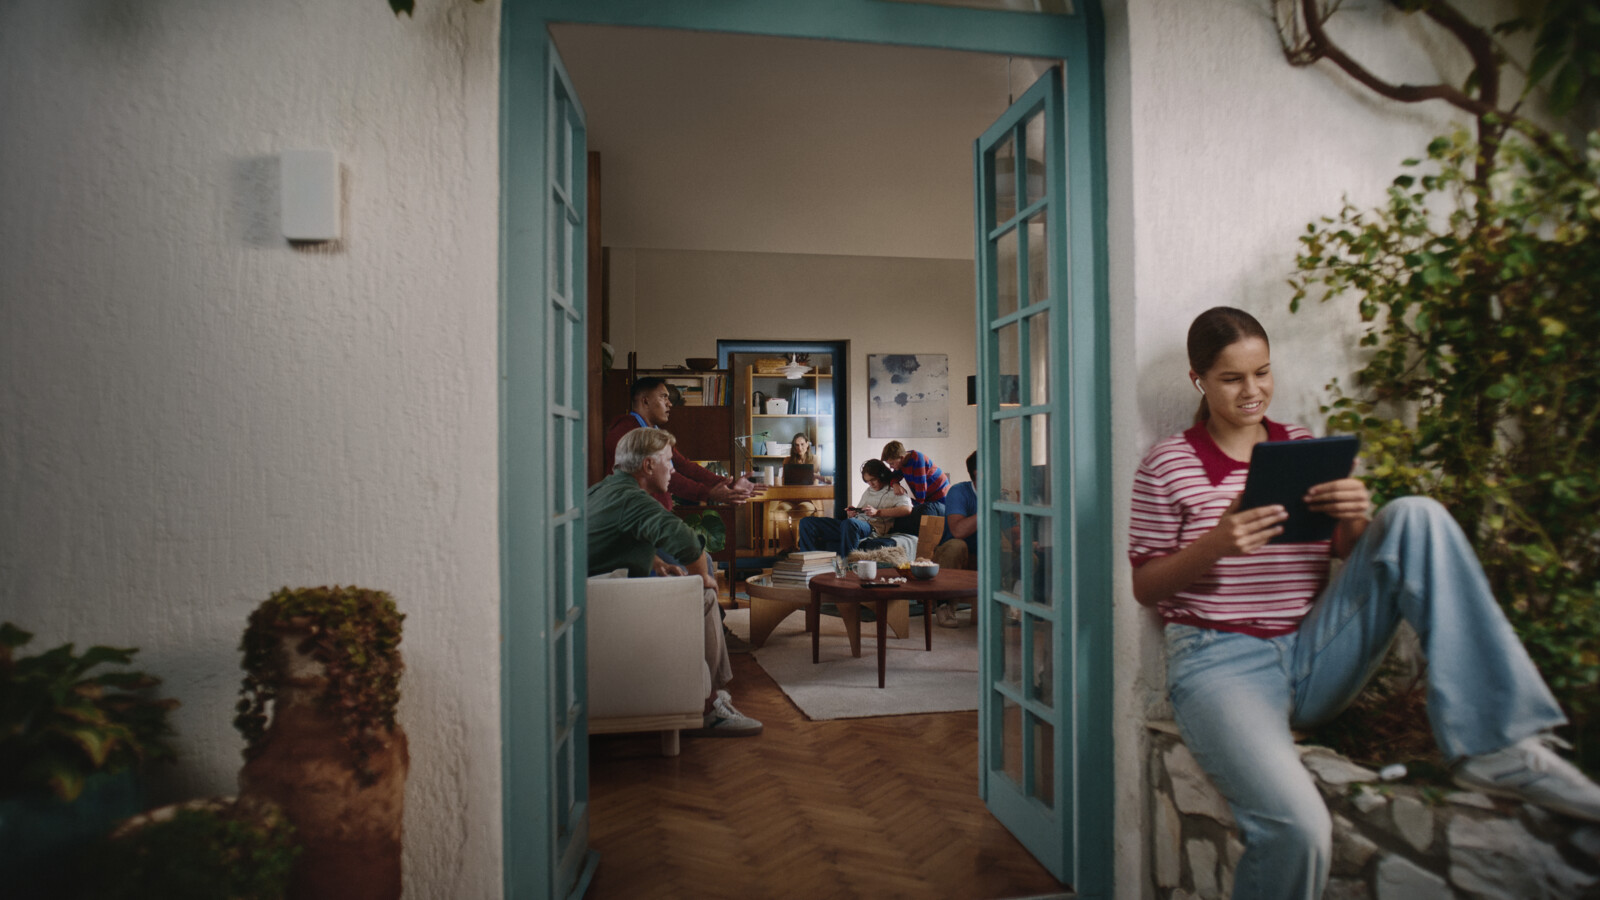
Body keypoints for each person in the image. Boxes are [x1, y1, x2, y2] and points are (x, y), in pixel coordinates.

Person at [1129, 306, 1600, 900]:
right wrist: (1217, 543)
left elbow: (1350, 555)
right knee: (1299, 832)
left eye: (1263, 373)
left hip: (1313, 650)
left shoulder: (1300, 447)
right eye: (1232, 378)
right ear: (1199, 379)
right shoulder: (1168, 464)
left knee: (1415, 516)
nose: (1254, 391)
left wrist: (1355, 519)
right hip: (1219, 663)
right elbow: (1146, 586)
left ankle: (1494, 745)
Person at [588, 427, 762, 737]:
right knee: (705, 596)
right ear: (648, 466)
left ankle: (713, 694)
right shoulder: (636, 500)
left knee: (692, 584)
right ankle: (710, 707)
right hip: (611, 612)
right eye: (668, 461)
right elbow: (686, 541)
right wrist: (706, 579)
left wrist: (656, 561)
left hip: (593, 600)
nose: (672, 468)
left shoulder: (603, 489)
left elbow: (614, 540)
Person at [604, 376, 762, 511]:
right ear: (645, 401)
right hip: (636, 518)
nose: (669, 403)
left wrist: (729, 484)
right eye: (663, 397)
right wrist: (709, 493)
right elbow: (669, 477)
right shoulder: (627, 432)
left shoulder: (653, 432)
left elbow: (683, 465)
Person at [795, 459, 912, 557]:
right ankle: (809, 562)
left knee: (850, 524)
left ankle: (848, 565)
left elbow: (907, 509)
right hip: (855, 525)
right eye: (867, 481)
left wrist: (878, 512)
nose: (871, 484)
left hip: (873, 529)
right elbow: (861, 511)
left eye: (873, 480)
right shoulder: (869, 490)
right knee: (807, 522)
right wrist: (854, 512)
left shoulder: (895, 490)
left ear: (882, 475)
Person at [933, 451, 979, 627]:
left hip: (982, 558)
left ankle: (1012, 607)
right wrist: (987, 507)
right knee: (957, 546)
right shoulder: (959, 491)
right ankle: (944, 605)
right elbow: (958, 531)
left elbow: (1013, 535)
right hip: (951, 557)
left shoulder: (1001, 493)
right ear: (977, 473)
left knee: (1025, 554)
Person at [880, 441, 950, 532]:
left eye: (892, 463)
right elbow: (894, 476)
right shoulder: (902, 462)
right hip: (927, 496)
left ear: (901, 458)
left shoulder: (917, 460)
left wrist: (916, 509)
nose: (891, 467)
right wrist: (895, 484)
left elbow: (921, 489)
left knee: (920, 515)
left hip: (940, 495)